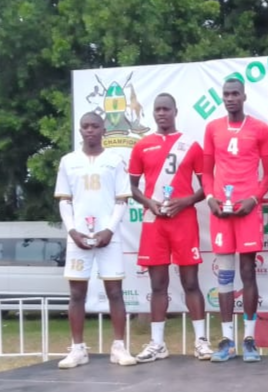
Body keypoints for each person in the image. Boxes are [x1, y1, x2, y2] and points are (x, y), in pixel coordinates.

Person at [129, 93, 213, 363]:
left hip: (183, 220)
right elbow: (131, 187)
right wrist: (149, 203)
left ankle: (201, 341)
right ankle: (157, 344)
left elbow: (206, 185)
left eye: (166, 109)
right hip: (154, 222)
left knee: (191, 281)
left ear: (175, 111)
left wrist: (185, 201)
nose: (161, 113)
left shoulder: (191, 145)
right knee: (157, 285)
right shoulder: (142, 146)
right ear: (152, 114)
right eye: (157, 110)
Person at [54, 112, 136, 369]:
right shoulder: (69, 161)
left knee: (115, 291)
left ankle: (119, 347)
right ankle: (78, 349)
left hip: (107, 236)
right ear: (80, 131)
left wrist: (109, 230)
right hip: (78, 237)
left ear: (103, 130)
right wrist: (72, 231)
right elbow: (65, 201)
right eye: (85, 126)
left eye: (94, 126)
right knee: (77, 293)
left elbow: (121, 200)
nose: (89, 130)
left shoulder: (115, 160)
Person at [203, 78, 268, 363]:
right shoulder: (213, 128)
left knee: (248, 272)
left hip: (247, 210)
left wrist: (253, 200)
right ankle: (226, 340)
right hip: (221, 211)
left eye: (235, 94)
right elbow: (206, 173)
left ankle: (249, 339)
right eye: (226, 94)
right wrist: (210, 198)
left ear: (244, 97)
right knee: (225, 275)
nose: (230, 98)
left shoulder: (260, 128)